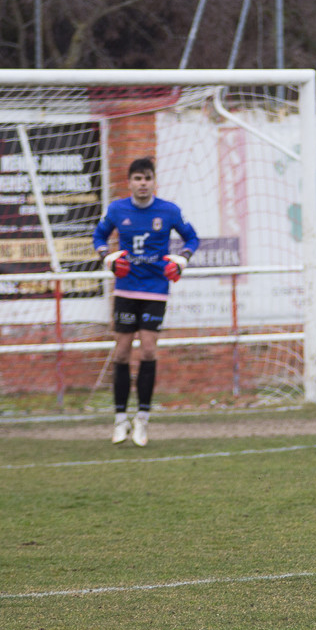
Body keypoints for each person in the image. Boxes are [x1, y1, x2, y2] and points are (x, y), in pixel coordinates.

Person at [92, 157, 199, 447]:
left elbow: (192, 238)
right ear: (129, 182)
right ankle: (120, 419)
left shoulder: (169, 210)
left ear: (154, 181)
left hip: (155, 290)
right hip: (126, 290)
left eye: (147, 178)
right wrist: (107, 257)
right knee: (122, 352)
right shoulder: (117, 209)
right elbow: (99, 236)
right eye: (138, 178)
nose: (143, 183)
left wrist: (182, 260)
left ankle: (142, 419)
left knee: (149, 350)